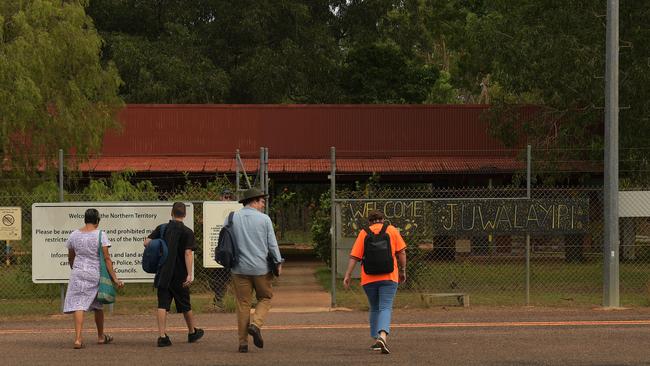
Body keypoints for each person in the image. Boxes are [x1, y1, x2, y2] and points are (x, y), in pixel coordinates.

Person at [343, 210, 407, 354]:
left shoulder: (364, 233)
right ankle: (382, 336)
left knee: (374, 307)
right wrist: (402, 270)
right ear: (383, 220)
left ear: (370, 222)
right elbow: (402, 252)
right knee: (385, 307)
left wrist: (347, 275)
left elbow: (354, 256)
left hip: (369, 278)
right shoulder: (391, 230)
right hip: (389, 277)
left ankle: (376, 338)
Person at [229, 188, 282, 353]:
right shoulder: (264, 219)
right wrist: (278, 261)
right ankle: (256, 324)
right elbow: (272, 244)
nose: (263, 203)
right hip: (260, 269)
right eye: (262, 200)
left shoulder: (232, 217)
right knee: (265, 297)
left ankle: (242, 343)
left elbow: (226, 240)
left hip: (238, 268)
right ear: (254, 201)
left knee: (243, 304)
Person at [144, 202, 204, 347]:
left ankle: (162, 336)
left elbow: (147, 242)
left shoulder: (162, 228)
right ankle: (192, 332)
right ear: (184, 214)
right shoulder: (187, 232)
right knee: (185, 304)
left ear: (171, 213)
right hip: (179, 274)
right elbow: (188, 253)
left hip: (164, 273)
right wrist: (189, 274)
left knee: (162, 304)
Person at [64, 208, 124, 349]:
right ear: (97, 221)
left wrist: (75, 268)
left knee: (79, 304)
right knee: (97, 306)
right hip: (94, 273)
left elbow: (71, 256)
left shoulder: (74, 235)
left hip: (78, 272)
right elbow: (106, 258)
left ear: (85, 219)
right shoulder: (100, 235)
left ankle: (78, 339)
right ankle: (100, 336)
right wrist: (114, 278)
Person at [209, 188, 235, 311]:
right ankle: (218, 300)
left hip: (232, 249)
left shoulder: (235, 211)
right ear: (220, 197)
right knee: (219, 278)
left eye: (230, 197)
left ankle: (235, 302)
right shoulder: (213, 209)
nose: (228, 199)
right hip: (219, 248)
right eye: (225, 197)